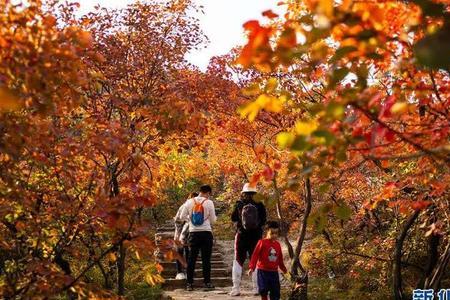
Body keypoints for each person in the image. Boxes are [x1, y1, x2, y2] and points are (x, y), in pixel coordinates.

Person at [230, 183, 267, 296]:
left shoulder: (239, 204)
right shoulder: (260, 204)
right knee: (255, 261)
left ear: (243, 192)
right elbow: (264, 221)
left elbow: (233, 218)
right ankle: (256, 288)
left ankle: (236, 289)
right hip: (256, 236)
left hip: (241, 235)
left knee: (238, 260)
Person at [178, 185, 217, 291]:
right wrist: (207, 218)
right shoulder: (209, 203)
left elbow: (181, 217)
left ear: (200, 191)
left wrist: (190, 220)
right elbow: (213, 220)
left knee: (191, 259)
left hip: (193, 233)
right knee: (206, 259)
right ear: (208, 193)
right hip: (206, 233)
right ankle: (207, 283)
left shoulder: (189, 202)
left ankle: (189, 284)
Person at [248, 221, 287, 300]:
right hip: (263, 271)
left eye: (276, 233)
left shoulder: (277, 244)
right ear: (267, 232)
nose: (274, 235)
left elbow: (280, 258)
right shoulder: (262, 242)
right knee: (263, 290)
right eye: (272, 233)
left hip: (274, 272)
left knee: (275, 292)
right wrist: (252, 267)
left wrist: (283, 269)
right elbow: (255, 255)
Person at [173, 192, 198, 280]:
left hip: (189, 233)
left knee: (188, 252)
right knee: (180, 252)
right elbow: (178, 220)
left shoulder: (196, 206)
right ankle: (179, 272)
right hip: (181, 232)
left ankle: (188, 271)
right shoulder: (184, 206)